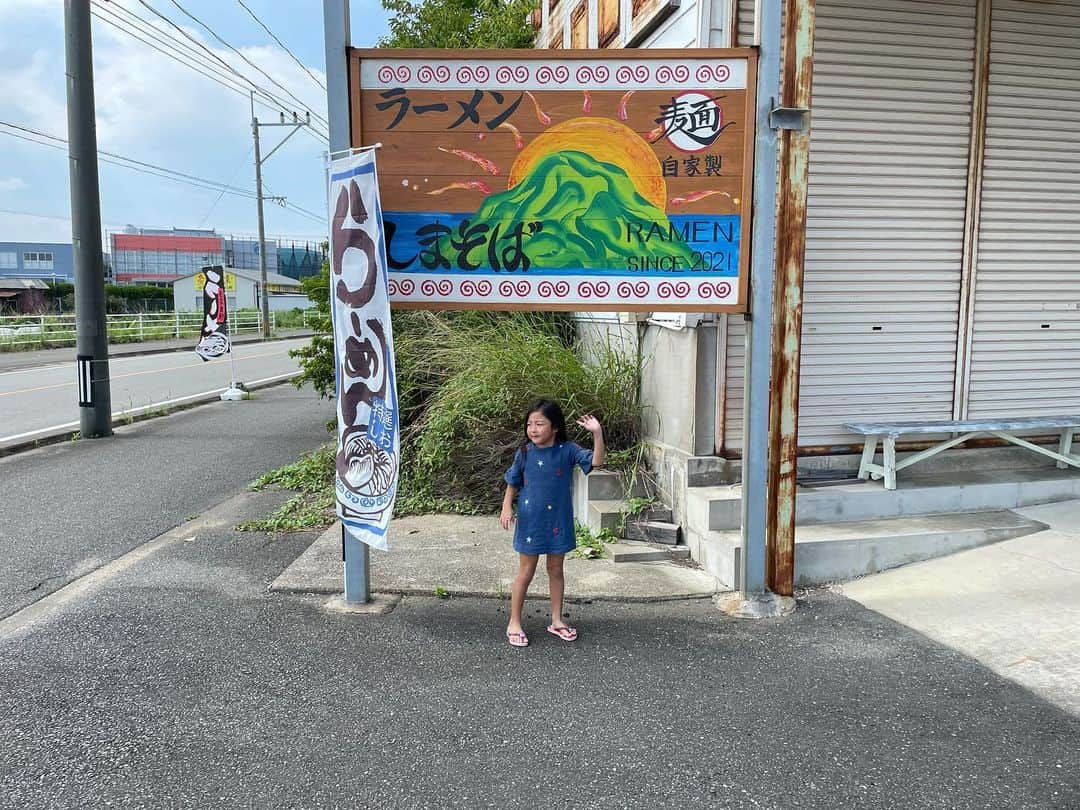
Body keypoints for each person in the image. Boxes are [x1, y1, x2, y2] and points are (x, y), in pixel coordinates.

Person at [500, 398, 604, 648]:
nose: (533, 429)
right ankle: (514, 621)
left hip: (558, 520)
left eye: (539, 424)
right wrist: (506, 507)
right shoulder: (524, 452)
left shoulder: (567, 450)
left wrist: (597, 433)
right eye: (529, 424)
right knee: (526, 572)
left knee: (556, 570)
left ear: (555, 427)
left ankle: (557, 620)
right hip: (530, 521)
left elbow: (596, 462)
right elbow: (513, 481)